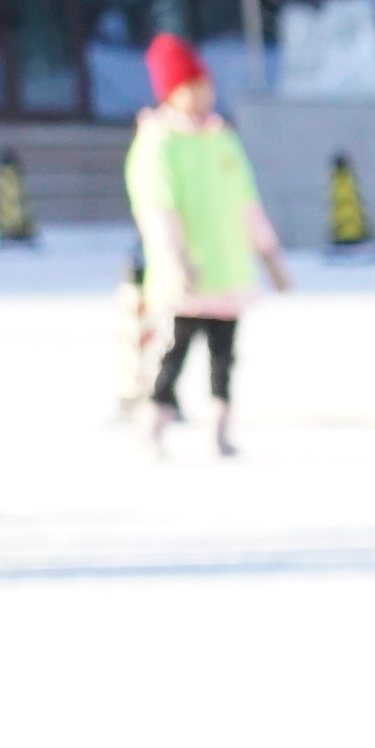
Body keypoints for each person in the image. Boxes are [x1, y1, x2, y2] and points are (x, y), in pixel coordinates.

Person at [125, 33, 284, 460]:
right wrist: (174, 258)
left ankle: (220, 428)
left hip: (229, 270)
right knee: (173, 352)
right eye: (190, 88)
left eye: (204, 87)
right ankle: (153, 421)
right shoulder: (159, 143)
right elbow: (157, 207)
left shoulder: (221, 139)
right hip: (188, 273)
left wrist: (269, 254)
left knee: (224, 356)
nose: (200, 97)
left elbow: (245, 202)